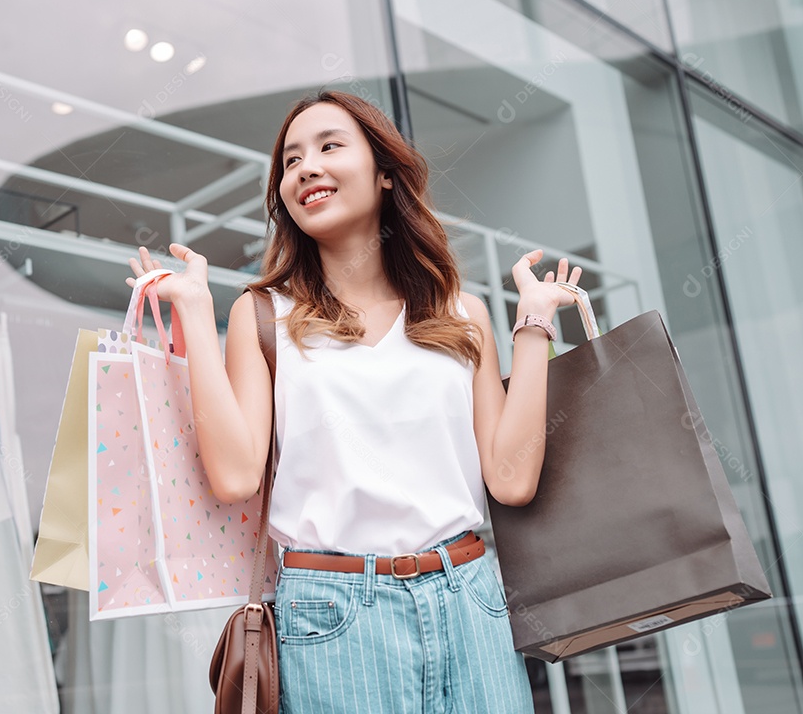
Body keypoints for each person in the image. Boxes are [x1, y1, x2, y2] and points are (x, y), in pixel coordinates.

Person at [126, 90, 582, 713]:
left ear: (385, 172)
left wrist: (532, 325)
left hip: (469, 599)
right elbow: (234, 476)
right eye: (290, 161)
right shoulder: (264, 317)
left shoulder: (462, 316)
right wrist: (197, 314)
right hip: (332, 616)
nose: (305, 167)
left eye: (329, 146)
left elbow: (511, 478)